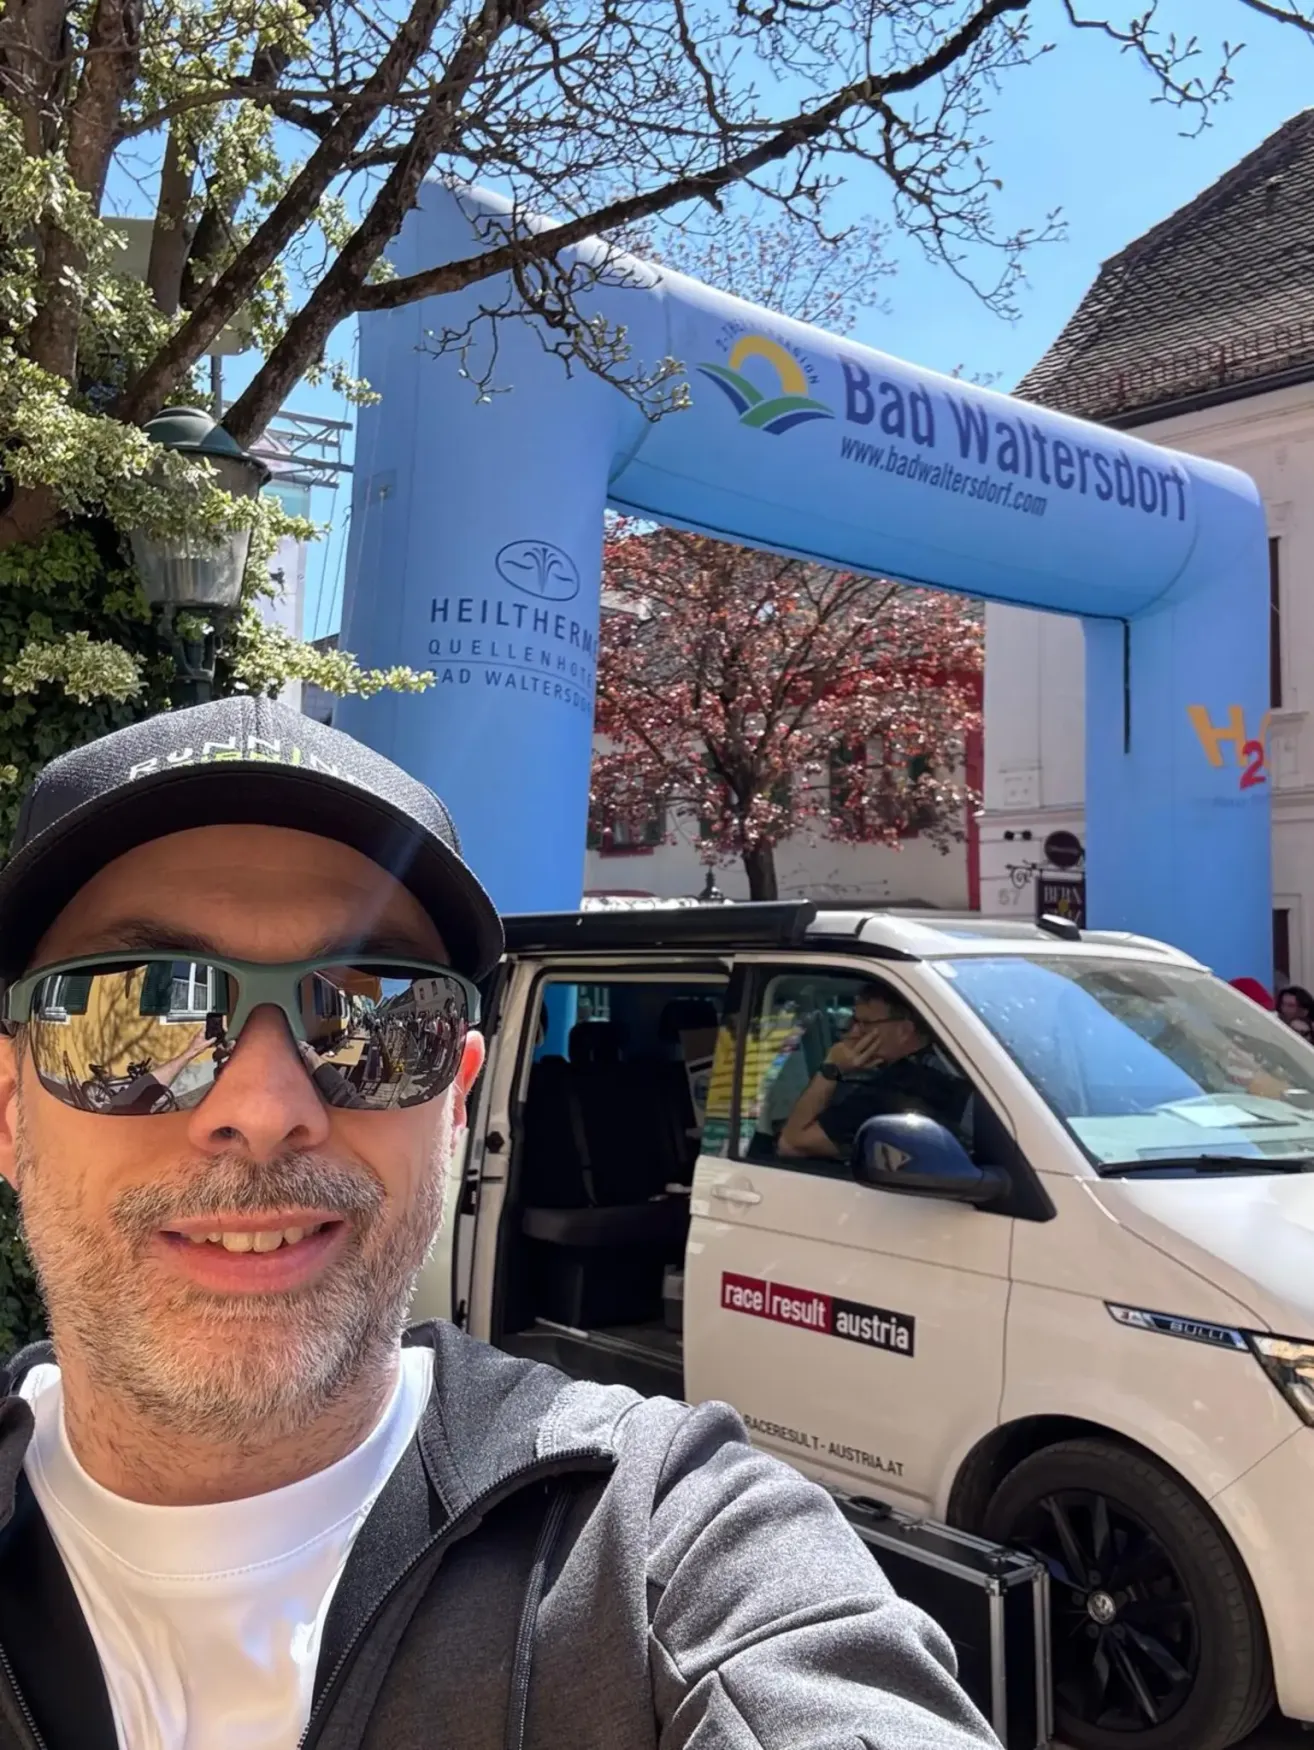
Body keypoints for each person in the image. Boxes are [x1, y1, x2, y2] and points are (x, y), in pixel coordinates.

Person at [0, 696, 997, 1750]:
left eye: (382, 1020)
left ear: (456, 1105)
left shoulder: (668, 1538)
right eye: (140, 1010)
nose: (264, 1107)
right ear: (10, 1108)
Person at [779, 983, 969, 1160]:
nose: (853, 1032)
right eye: (853, 1021)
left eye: (865, 1024)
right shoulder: (949, 1065)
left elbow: (791, 1142)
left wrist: (831, 1067)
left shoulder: (895, 1089)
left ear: (904, 1031)